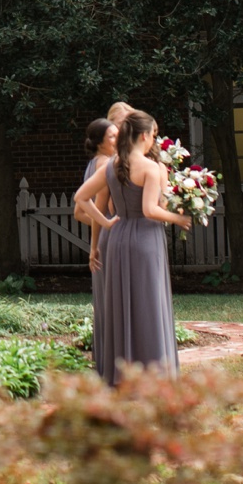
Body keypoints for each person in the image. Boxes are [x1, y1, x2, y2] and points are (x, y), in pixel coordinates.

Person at [74, 110, 189, 381]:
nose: (154, 140)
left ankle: (121, 373)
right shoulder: (149, 167)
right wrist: (179, 217)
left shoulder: (111, 165)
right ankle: (153, 372)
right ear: (144, 135)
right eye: (153, 134)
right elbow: (151, 209)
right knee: (148, 303)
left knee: (122, 305)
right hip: (146, 240)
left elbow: (81, 197)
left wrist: (107, 222)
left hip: (118, 237)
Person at [79, 117, 117, 375]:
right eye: (113, 137)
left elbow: (83, 210)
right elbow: (82, 208)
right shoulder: (106, 164)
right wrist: (106, 223)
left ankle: (106, 360)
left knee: (107, 303)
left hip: (105, 237)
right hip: (114, 237)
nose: (118, 140)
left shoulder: (97, 162)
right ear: (100, 143)